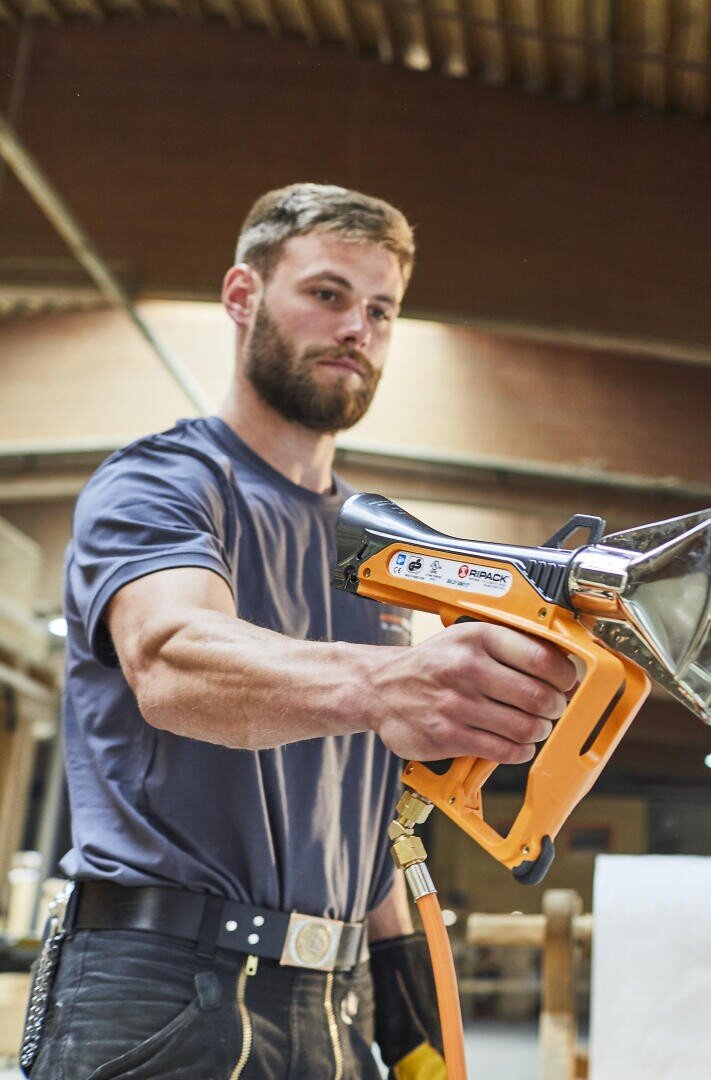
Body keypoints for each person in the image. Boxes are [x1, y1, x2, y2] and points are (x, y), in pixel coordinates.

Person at [21, 183, 577, 1079]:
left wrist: (411, 1020)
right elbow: (173, 661)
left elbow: (361, 810)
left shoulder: (383, 549)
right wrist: (387, 683)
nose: (358, 328)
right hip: (161, 988)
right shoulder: (163, 483)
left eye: (381, 310)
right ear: (242, 296)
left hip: (333, 1000)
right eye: (327, 294)